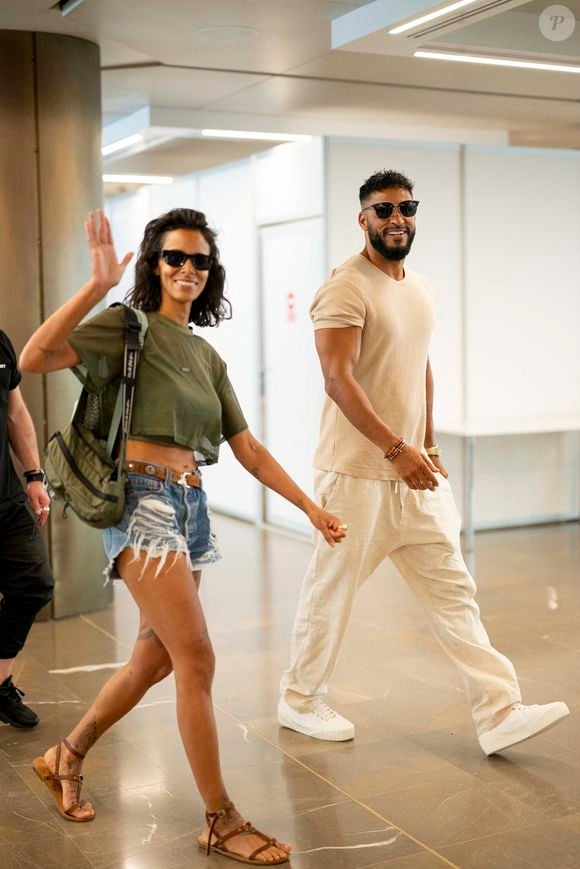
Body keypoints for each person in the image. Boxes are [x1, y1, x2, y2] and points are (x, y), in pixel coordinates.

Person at [20, 208, 347, 865]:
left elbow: (247, 448)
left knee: (157, 658)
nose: (188, 270)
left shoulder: (206, 353)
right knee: (197, 657)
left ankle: (66, 754)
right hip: (141, 503)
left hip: (190, 505)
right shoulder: (127, 326)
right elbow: (36, 356)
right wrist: (94, 286)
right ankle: (220, 819)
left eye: (200, 261)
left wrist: (310, 506)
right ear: (153, 265)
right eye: (175, 258)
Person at [278, 169, 570, 756]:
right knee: (330, 593)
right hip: (357, 474)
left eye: (406, 208)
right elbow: (338, 380)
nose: (396, 219)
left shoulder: (419, 287)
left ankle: (499, 711)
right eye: (383, 210)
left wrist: (427, 444)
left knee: (454, 591)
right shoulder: (345, 287)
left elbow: (419, 368)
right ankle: (300, 701)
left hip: (414, 474)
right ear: (362, 219)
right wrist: (396, 448)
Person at [0, 330, 54, 728]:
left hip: (6, 498)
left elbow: (15, 411)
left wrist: (34, 474)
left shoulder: (1, 340)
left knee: (34, 582)